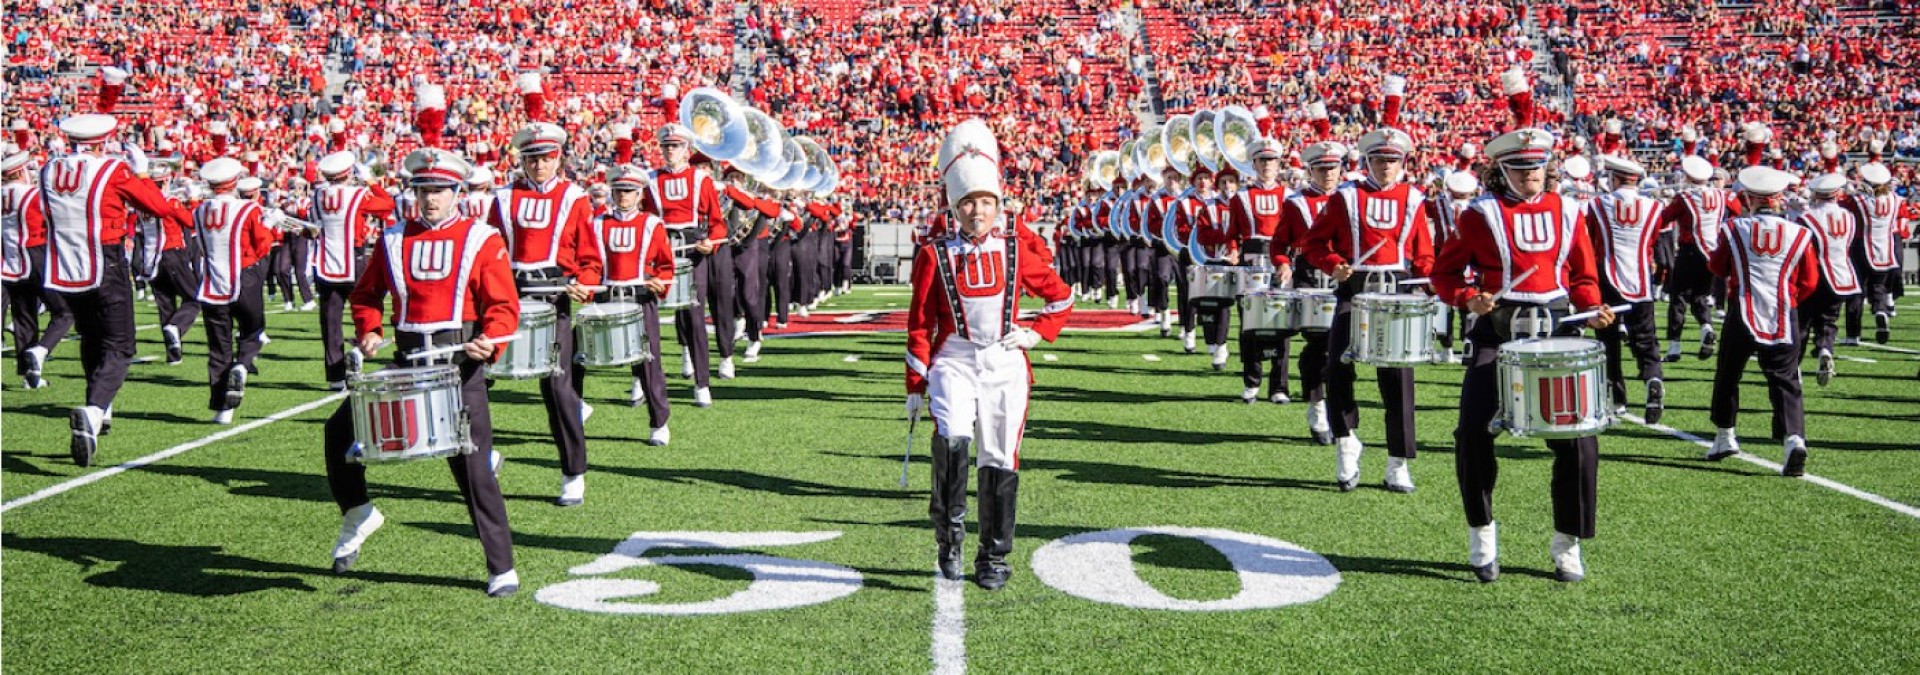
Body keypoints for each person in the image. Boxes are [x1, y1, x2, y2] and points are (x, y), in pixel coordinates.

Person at [324, 147, 520, 597]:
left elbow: (503, 306)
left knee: (472, 468)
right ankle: (358, 513)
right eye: (424, 190)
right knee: (338, 433)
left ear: (456, 193)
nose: (431, 199)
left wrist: (492, 339)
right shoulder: (392, 237)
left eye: (440, 191)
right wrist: (369, 330)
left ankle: (501, 566)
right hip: (406, 360)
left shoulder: (482, 237)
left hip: (459, 364)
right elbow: (366, 295)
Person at [1432, 125, 1616, 584]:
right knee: (1472, 432)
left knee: (1578, 440)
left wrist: (1593, 307)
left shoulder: (1571, 211)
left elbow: (1584, 276)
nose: (1529, 174)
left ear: (1547, 167)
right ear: (1502, 172)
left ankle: (1567, 542)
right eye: (1518, 168)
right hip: (1496, 333)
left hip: (1554, 333)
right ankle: (1482, 534)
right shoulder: (1479, 214)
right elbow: (1445, 273)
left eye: (1535, 166)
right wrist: (1468, 297)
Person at [907, 120, 1073, 590]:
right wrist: (915, 383)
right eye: (967, 203)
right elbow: (920, 321)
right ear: (954, 208)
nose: (976, 211)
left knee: (1000, 455)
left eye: (984, 202)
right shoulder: (934, 253)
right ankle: (949, 534)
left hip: (1004, 358)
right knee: (954, 439)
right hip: (954, 358)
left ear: (997, 205)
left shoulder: (1018, 248)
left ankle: (995, 554)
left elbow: (1060, 298)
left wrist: (1037, 334)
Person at [1300, 78, 1433, 494]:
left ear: (1402, 162)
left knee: (1398, 378)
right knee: (1337, 362)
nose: (1385, 167)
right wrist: (1336, 264)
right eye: (1378, 160)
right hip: (1353, 290)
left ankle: (1398, 462)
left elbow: (1425, 252)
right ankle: (1346, 440)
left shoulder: (1414, 198)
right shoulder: (1344, 197)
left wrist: (1424, 283)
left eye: (1391, 160)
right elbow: (1313, 243)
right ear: (1367, 161)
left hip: (1395, 290)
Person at [39, 114, 189, 466]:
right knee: (121, 344)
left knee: (92, 338)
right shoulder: (112, 171)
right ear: (104, 141)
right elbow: (160, 208)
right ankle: (93, 410)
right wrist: (140, 174)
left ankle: (102, 407)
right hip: (104, 261)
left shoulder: (48, 170)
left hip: (65, 265)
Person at [490, 122, 604, 506]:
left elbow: (589, 258)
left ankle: (573, 472)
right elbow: (489, 251)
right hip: (509, 296)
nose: (539, 165)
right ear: (522, 160)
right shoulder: (503, 198)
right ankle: (481, 456)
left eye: (547, 158)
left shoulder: (575, 197)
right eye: (532, 158)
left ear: (559, 158)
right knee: (475, 379)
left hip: (554, 298)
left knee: (557, 388)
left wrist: (584, 283)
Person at [1705, 166, 1820, 476]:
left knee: (1729, 374)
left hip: (1741, 310)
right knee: (1786, 380)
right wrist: (1790, 299)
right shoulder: (1800, 232)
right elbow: (1810, 281)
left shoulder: (1733, 228)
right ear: (1779, 199)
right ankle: (1793, 438)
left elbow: (1717, 266)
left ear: (1750, 199)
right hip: (1784, 311)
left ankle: (1725, 435)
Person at [578, 164, 675, 444]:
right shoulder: (597, 223)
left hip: (640, 298)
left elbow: (665, 265)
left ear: (640, 194)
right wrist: (586, 285)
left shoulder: (652, 223)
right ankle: (576, 407)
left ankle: (659, 422)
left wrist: (661, 281)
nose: (623, 196)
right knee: (575, 355)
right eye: (619, 190)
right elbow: (590, 262)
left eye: (629, 191)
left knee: (648, 359)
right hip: (605, 298)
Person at [640, 124, 728, 397]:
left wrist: (709, 243)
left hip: (691, 251)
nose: (670, 151)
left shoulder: (701, 180)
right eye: (666, 146)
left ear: (686, 150)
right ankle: (641, 380)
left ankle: (702, 383)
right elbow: (644, 219)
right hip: (660, 251)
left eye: (676, 146)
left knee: (694, 316)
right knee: (644, 316)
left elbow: (717, 224)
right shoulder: (650, 179)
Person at [1586, 155, 1669, 422]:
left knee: (1608, 340)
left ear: (1615, 178)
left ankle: (1616, 398)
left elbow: (1591, 238)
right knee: (1646, 337)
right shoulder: (1654, 207)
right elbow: (1653, 239)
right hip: (1641, 277)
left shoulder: (1598, 203)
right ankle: (1652, 379)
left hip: (1607, 275)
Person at [1275, 139, 1347, 446]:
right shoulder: (1296, 203)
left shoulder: (1351, 199)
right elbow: (1279, 244)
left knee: (1341, 350)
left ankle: (1336, 409)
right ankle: (1317, 405)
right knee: (1320, 344)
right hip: (1309, 278)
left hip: (1344, 277)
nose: (1328, 174)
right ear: (1311, 170)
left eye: (1332, 168)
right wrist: (1283, 265)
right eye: (1321, 169)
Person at [191, 160, 274, 424]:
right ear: (234, 181)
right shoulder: (247, 208)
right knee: (253, 331)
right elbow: (261, 248)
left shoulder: (199, 211)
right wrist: (270, 226)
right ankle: (243, 364)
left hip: (212, 283)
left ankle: (222, 409)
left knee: (218, 348)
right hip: (244, 278)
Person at [310, 150, 396, 390]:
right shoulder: (358, 195)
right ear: (349, 173)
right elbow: (387, 205)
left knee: (330, 320)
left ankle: (335, 377)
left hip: (325, 261)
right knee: (365, 309)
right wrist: (370, 181)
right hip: (353, 258)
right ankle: (361, 350)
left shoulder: (317, 195)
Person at [2, 146, 75, 388]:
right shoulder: (33, 195)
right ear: (22, 171)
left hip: (11, 260)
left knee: (24, 318)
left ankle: (28, 376)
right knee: (64, 311)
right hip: (37, 254)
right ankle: (42, 350)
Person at [1659, 155, 1739, 361]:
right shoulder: (1722, 196)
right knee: (1700, 296)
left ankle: (1674, 346)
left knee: (1678, 297)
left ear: (1688, 176)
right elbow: (1738, 212)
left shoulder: (1684, 197)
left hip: (1690, 250)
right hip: (1712, 252)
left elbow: (1663, 219)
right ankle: (1706, 328)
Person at [1229, 140, 1291, 403]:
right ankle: (1251, 380)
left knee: (1282, 324)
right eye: (1262, 161)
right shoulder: (1241, 196)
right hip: (1251, 261)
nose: (1267, 166)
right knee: (1250, 323)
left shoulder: (1290, 196)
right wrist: (1232, 250)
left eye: (1272, 161)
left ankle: (1279, 386)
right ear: (1253, 164)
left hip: (1282, 263)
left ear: (1279, 165)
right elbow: (1231, 234)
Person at [128, 157, 194, 366]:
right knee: (194, 299)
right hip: (172, 253)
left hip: (151, 258)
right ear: (164, 181)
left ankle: (173, 355)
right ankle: (176, 328)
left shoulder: (141, 205)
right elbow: (191, 222)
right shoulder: (170, 202)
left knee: (165, 305)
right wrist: (192, 201)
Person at [1796, 173, 1860, 386]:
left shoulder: (1807, 217)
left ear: (1816, 193)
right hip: (1841, 274)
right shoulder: (1848, 217)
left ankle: (1794, 366)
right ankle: (1825, 349)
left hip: (1814, 274)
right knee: (1828, 320)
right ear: (1837, 193)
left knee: (1802, 323)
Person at [1843, 162, 1903, 345]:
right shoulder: (1895, 199)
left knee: (1856, 291)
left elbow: (1842, 204)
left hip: (1860, 245)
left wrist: (1850, 189)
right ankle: (1880, 311)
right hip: (1885, 247)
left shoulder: (1858, 200)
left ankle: (1853, 334)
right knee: (1879, 286)